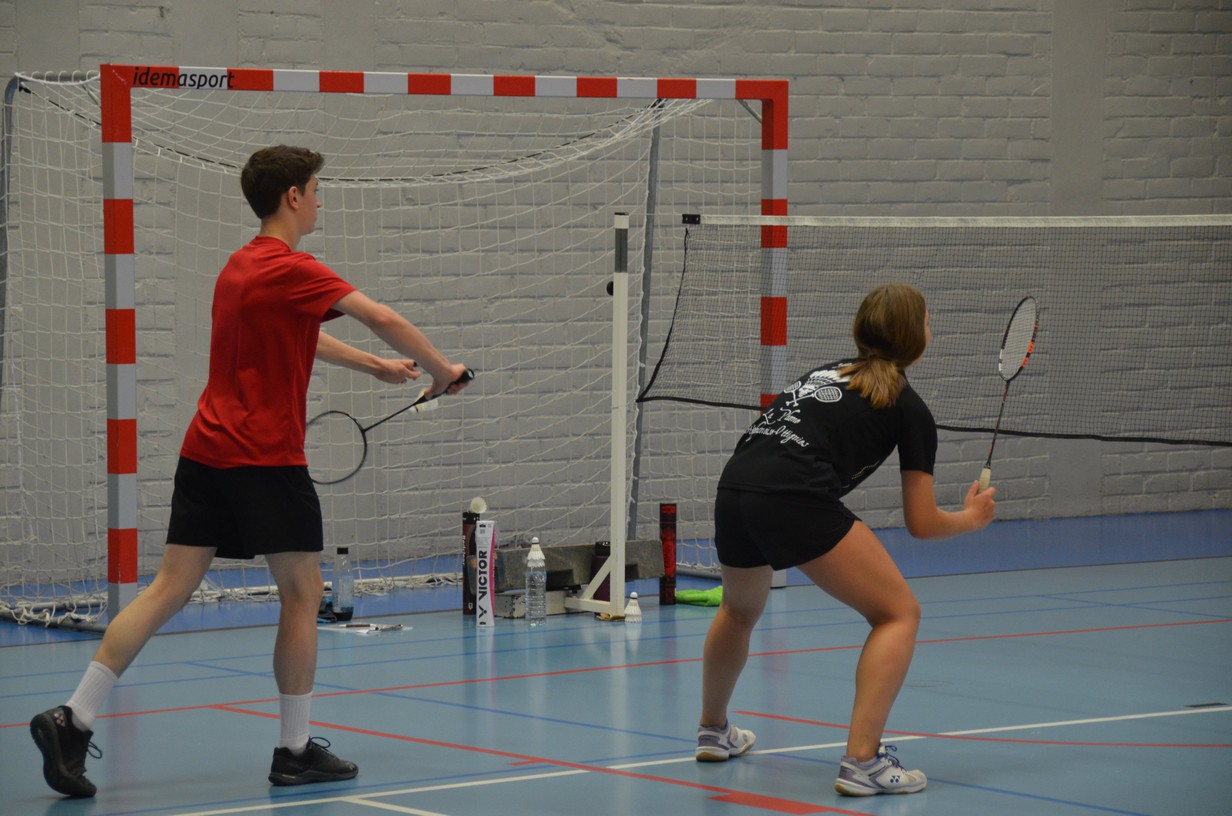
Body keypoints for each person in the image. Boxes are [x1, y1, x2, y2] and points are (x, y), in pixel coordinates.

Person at [30, 145, 471, 798]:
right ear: (292, 196)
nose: (320, 201)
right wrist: (442, 369)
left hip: (205, 452)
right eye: (315, 190)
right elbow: (382, 316)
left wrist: (374, 367)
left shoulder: (239, 267)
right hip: (264, 459)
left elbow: (301, 331)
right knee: (302, 592)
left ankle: (74, 716)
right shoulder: (293, 266)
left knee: (167, 588)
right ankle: (294, 751)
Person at [694, 283, 996, 797]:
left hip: (735, 487)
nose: (932, 329)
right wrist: (971, 518)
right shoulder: (909, 408)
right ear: (914, 336)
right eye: (928, 321)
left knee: (738, 610)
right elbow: (922, 523)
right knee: (898, 613)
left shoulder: (827, 373)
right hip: (794, 496)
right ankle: (863, 761)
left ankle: (713, 730)